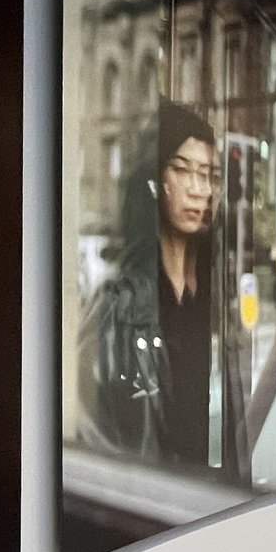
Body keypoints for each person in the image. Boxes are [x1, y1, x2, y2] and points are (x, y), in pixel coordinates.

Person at [77, 101, 222, 469]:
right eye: (182, 170)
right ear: (156, 182)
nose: (198, 189)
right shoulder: (122, 303)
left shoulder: (212, 288)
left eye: (208, 175)